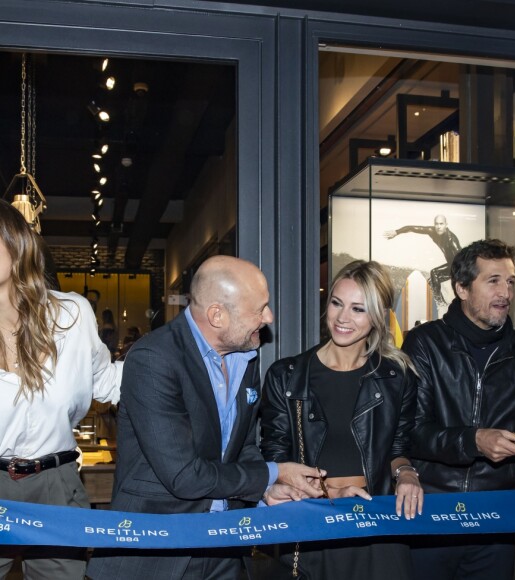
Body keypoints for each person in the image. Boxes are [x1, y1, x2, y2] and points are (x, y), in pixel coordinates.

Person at [87, 255, 323, 580]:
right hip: (160, 551)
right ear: (217, 315)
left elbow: (241, 448)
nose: (268, 317)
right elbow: (184, 476)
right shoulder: (154, 359)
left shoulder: (245, 357)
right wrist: (274, 473)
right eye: (259, 309)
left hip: (226, 547)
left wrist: (266, 490)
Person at [402, 239, 515, 580]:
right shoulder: (425, 343)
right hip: (430, 511)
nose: (505, 292)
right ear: (461, 288)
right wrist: (474, 441)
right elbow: (411, 431)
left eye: (511, 281)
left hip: (496, 519)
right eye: (493, 280)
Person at [260, 259, 422, 579]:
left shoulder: (396, 376)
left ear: (377, 316)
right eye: (336, 303)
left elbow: (399, 447)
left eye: (358, 309)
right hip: (312, 521)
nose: (342, 317)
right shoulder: (287, 376)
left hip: (377, 523)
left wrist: (406, 474)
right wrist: (329, 494)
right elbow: (275, 459)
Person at [0, 199, 123, 579]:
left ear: (16, 244)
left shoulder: (70, 315)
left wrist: (179, 357)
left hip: (57, 483)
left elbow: (109, 382)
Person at [384, 215, 461, 305]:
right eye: (436, 224)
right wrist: (397, 232)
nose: (439, 227)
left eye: (441, 224)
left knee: (434, 273)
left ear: (446, 225)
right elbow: (412, 228)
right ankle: (437, 304)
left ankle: (440, 303)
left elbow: (461, 259)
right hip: (450, 267)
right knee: (430, 282)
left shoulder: (452, 239)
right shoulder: (432, 231)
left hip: (457, 267)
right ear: (434, 225)